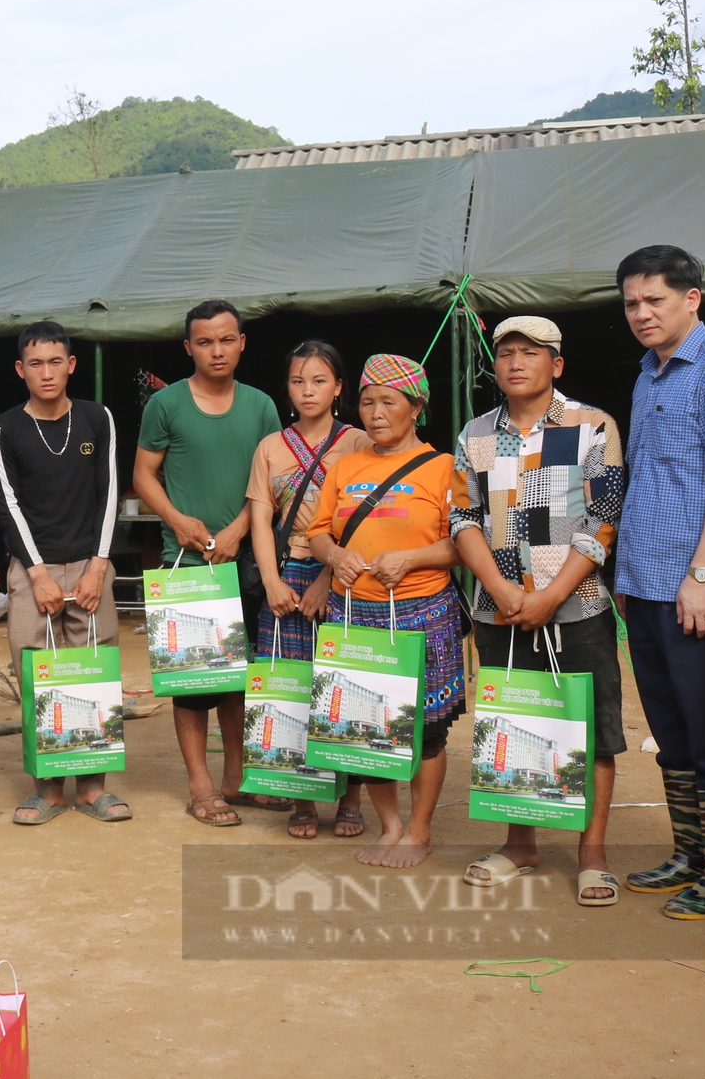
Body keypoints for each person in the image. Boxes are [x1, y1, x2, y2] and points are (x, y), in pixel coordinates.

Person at [450, 318, 629, 905]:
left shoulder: (592, 424)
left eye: (532, 352)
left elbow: (605, 518)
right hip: (497, 607)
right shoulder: (476, 433)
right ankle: (519, 843)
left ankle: (592, 853)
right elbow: (461, 519)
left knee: (593, 729)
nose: (516, 362)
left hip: (576, 604)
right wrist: (500, 588)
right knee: (513, 722)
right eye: (506, 353)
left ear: (557, 364)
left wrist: (552, 594)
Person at [613, 245, 705, 920]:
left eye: (654, 300)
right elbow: (649, 481)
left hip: (696, 588)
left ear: (692, 298)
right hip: (645, 586)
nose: (641, 314)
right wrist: (628, 574)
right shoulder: (649, 373)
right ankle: (691, 855)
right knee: (671, 729)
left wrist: (702, 574)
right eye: (631, 303)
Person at [307, 354, 464, 868]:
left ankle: (419, 830)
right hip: (357, 615)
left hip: (424, 615)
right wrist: (335, 555)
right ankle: (390, 826)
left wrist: (413, 557)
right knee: (370, 730)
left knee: (427, 729)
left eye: (388, 402)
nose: (375, 412)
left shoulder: (443, 467)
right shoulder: (346, 466)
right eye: (368, 401)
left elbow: (463, 543)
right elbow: (318, 531)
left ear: (416, 407)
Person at [133, 300, 284, 828]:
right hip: (188, 562)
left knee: (240, 678)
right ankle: (201, 786)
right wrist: (176, 520)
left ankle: (236, 781)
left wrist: (243, 526)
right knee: (195, 681)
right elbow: (144, 474)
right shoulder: (165, 405)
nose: (216, 351)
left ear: (242, 342)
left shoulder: (262, 405)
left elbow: (270, 479)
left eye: (226, 340)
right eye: (204, 341)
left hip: (247, 559)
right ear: (188, 348)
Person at [0, 320, 128, 826]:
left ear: (71, 365)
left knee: (94, 671)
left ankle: (93, 787)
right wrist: (39, 575)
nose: (46, 373)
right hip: (33, 570)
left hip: (91, 565)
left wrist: (98, 566)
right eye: (35, 364)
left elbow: (109, 492)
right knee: (36, 674)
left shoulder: (97, 418)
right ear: (20, 370)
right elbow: (8, 506)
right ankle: (46, 788)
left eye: (55, 362)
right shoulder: (6, 427)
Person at [245, 339, 367, 840]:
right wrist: (272, 580)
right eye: (298, 381)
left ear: (339, 387)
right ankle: (303, 799)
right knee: (291, 687)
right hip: (285, 581)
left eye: (319, 380)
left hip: (342, 579)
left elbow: (362, 521)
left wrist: (329, 577)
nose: (307, 390)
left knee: (345, 687)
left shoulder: (358, 443)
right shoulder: (271, 447)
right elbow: (260, 519)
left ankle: (352, 799)